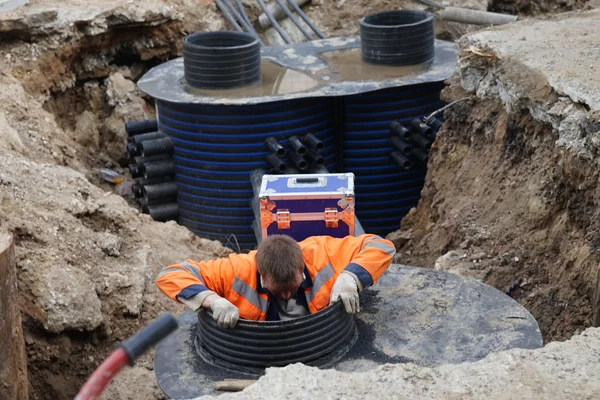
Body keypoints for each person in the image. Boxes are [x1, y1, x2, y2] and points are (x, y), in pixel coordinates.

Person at [155, 233, 396, 328]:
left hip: (322, 343)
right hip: (261, 356)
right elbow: (168, 275)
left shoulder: (321, 254)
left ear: (302, 267)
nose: (287, 297)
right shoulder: (236, 270)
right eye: (278, 291)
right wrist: (211, 300)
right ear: (261, 273)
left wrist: (350, 277)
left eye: (292, 288)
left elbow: (380, 245)